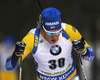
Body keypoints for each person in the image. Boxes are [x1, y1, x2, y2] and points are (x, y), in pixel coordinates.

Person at [5, 7, 94, 80]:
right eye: (50, 33)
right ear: (42, 27)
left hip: (70, 78)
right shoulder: (32, 38)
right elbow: (9, 67)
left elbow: (90, 57)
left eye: (57, 32)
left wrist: (83, 51)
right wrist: (16, 55)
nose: (54, 37)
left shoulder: (69, 30)